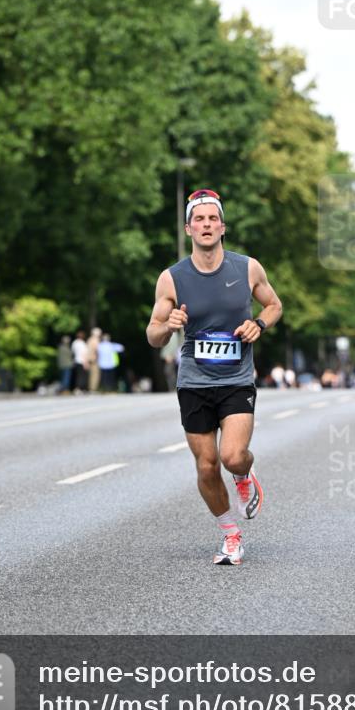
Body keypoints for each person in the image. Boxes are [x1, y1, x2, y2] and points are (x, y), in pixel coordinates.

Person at [146, 188, 283, 566]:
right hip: (194, 382)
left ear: (222, 226)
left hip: (237, 378)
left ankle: (244, 474)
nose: (206, 225)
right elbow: (153, 335)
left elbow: (274, 305)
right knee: (206, 465)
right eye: (199, 219)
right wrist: (168, 325)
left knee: (232, 456)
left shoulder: (247, 268)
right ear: (189, 228)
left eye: (212, 219)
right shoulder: (171, 279)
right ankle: (230, 535)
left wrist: (258, 324)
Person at [87, 327, 102, 393]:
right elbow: (97, 349)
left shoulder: (89, 339)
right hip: (94, 359)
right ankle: (93, 389)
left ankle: (91, 388)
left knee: (91, 374)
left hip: (90, 358)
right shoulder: (96, 340)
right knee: (95, 374)